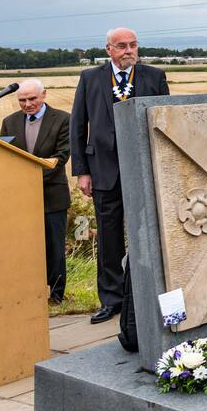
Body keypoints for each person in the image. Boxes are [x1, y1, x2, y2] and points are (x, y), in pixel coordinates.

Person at [70, 28, 169, 324]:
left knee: (149, 234)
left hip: (144, 168)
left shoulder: (154, 76)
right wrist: (81, 171)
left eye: (133, 45)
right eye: (122, 46)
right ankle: (111, 300)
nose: (129, 51)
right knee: (109, 238)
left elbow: (166, 119)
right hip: (103, 171)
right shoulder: (91, 78)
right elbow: (78, 124)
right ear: (109, 50)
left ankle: (148, 296)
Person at [0, 78, 71, 304]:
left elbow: (60, 157)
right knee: (24, 247)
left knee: (54, 247)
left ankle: (55, 294)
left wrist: (28, 177)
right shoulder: (9, 122)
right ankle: (29, 291)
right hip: (20, 197)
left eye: (32, 99)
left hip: (52, 195)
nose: (28, 104)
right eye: (22, 100)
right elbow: (5, 155)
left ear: (44, 95)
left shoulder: (63, 120)